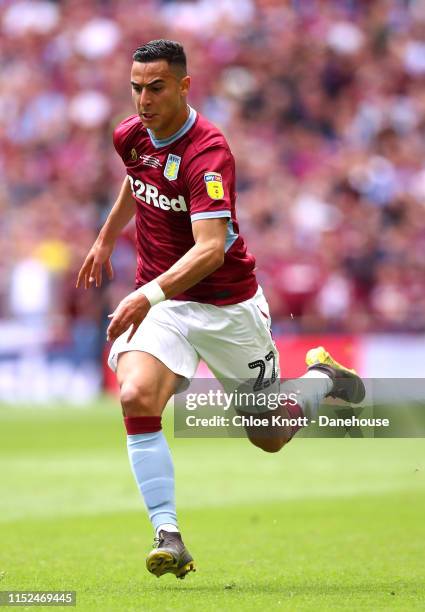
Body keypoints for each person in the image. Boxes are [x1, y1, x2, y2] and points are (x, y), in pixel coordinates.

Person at [76, 40, 365, 580]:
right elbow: (136, 178)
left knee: (268, 435)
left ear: (185, 86)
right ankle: (168, 534)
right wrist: (105, 237)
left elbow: (210, 250)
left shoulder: (210, 152)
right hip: (165, 303)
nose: (143, 99)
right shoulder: (130, 135)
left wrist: (144, 294)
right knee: (136, 394)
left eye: (156, 87)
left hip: (226, 305)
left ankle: (326, 375)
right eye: (136, 87)